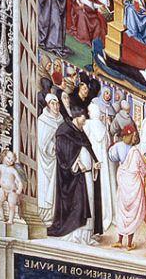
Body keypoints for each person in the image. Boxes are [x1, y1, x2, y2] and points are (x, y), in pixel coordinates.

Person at [48, 107, 98, 241]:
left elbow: (88, 147)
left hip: (86, 175)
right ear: (77, 116)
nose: (85, 121)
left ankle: (86, 236)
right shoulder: (64, 130)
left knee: (90, 202)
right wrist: (77, 163)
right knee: (79, 204)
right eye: (83, 118)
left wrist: (95, 162)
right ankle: (75, 235)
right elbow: (63, 152)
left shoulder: (80, 132)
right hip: (73, 177)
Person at [108, 125, 146, 250]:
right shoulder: (136, 152)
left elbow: (111, 157)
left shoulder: (119, 146)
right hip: (133, 185)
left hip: (125, 182)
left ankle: (120, 240)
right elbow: (144, 170)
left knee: (123, 212)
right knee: (131, 213)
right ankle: (129, 243)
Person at [83, 103, 113, 235]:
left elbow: (84, 141)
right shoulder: (103, 127)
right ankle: (103, 216)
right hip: (102, 161)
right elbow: (107, 143)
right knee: (102, 188)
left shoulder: (88, 124)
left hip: (91, 158)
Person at [36, 95, 64, 222]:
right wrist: (53, 147)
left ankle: (56, 213)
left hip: (57, 158)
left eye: (57, 103)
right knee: (45, 185)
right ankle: (45, 213)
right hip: (46, 159)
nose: (56, 106)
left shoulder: (60, 119)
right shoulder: (43, 120)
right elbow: (41, 142)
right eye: (53, 104)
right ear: (48, 105)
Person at [0, 149, 24, 225]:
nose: (10, 161)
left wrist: (18, 191)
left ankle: (10, 220)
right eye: (9, 158)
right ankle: (2, 216)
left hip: (12, 191)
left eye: (12, 160)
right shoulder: (0, 167)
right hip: (3, 189)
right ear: (3, 156)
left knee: (11, 205)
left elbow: (20, 181)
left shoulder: (13, 170)